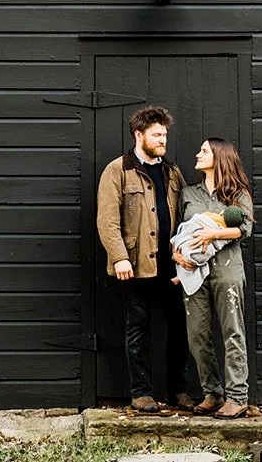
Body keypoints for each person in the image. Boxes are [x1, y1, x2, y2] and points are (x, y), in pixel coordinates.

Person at [96, 105, 199, 413]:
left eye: (165, 134)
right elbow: (107, 219)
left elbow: (183, 214)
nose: (162, 139)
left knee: (180, 327)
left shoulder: (172, 171)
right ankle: (141, 393)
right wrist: (119, 257)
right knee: (137, 327)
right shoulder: (118, 171)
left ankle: (178, 390)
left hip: (172, 263)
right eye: (156, 134)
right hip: (136, 264)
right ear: (138, 135)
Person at [175, 137, 256, 419]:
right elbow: (179, 230)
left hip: (227, 269)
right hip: (193, 272)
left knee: (232, 332)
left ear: (219, 157)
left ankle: (238, 396)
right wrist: (176, 254)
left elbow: (244, 229)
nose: (198, 154)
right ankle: (212, 393)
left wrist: (214, 234)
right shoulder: (188, 193)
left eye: (204, 151)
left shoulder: (237, 193)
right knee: (197, 334)